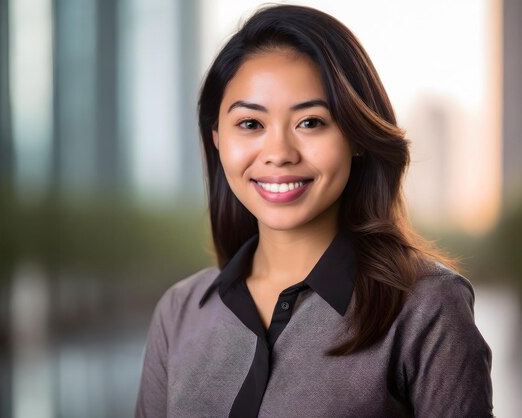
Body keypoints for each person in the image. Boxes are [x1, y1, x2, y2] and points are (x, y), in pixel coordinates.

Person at [135, 5, 493, 417]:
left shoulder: (427, 307)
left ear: (357, 135)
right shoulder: (180, 311)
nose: (280, 154)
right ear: (217, 137)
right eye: (251, 124)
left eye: (311, 122)